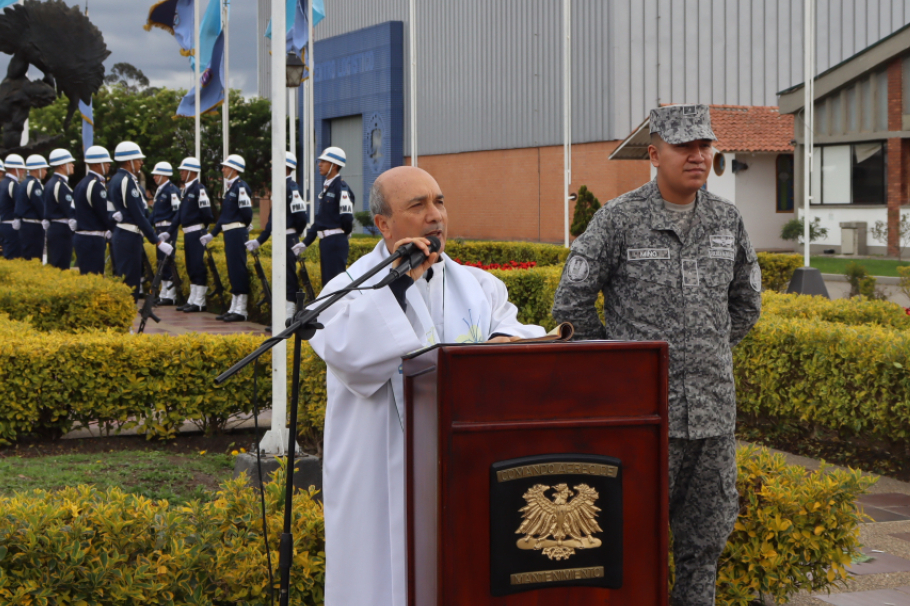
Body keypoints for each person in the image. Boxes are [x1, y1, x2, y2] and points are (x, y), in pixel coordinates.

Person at [552, 104, 763, 606]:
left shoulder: (725, 220)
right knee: (631, 541)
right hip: (643, 418)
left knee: (704, 546)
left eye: (704, 145)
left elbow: (746, 303)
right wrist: (622, 367)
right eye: (684, 146)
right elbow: (571, 304)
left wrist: (704, 349)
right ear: (654, 154)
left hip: (711, 418)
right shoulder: (619, 220)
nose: (697, 155)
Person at [308, 166, 547, 606]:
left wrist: (503, 342)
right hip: (383, 470)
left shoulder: (479, 285)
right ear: (383, 224)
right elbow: (349, 356)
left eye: (439, 201)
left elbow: (515, 331)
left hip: (464, 465)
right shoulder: (348, 290)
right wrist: (399, 285)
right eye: (418, 206)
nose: (435, 215)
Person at [108, 141, 173, 296]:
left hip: (122, 235)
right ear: (129, 162)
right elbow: (138, 215)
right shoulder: (126, 181)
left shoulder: (115, 180)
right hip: (129, 236)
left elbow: (109, 211)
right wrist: (157, 241)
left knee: (125, 278)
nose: (141, 163)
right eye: (138, 160)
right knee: (131, 283)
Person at [249, 151, 309, 317]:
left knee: (288, 276)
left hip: (288, 238)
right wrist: (259, 240)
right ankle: (282, 314)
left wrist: (293, 233)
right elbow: (272, 221)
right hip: (280, 237)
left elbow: (301, 216)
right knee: (280, 276)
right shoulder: (280, 187)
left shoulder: (292, 188)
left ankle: (289, 315)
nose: (271, 169)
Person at [201, 154, 254, 322]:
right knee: (232, 269)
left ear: (234, 169)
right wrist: (212, 234)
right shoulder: (231, 189)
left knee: (238, 268)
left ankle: (241, 309)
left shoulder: (241, 187)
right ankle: (234, 306)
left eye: (225, 167)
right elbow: (224, 217)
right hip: (230, 232)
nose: (222, 169)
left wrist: (244, 225)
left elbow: (247, 212)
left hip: (237, 232)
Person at [295, 146, 355, 287]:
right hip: (327, 242)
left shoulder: (341, 188)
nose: (319, 164)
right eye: (319, 161)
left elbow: (347, 218)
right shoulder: (328, 188)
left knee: (335, 285)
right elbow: (320, 220)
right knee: (327, 284)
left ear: (334, 165)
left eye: (324, 162)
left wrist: (341, 234)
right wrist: (305, 242)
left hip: (335, 242)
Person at [175, 156, 215, 313]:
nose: (181, 173)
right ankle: (193, 298)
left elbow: (207, 214)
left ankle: (199, 301)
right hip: (188, 233)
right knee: (191, 265)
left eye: (183, 170)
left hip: (197, 232)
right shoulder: (187, 189)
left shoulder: (199, 189)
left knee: (198, 266)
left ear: (192, 172)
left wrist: (202, 229)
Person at [72, 146, 115, 275]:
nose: (109, 165)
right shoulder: (96, 185)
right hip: (92, 240)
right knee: (95, 276)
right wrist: (114, 227)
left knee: (87, 277)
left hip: (83, 237)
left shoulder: (82, 183)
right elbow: (104, 213)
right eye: (106, 162)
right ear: (97, 164)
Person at [149, 161, 182, 305]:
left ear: (164, 175)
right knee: (160, 260)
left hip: (168, 229)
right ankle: (163, 293)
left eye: (156, 174)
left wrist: (169, 232)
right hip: (159, 228)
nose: (154, 177)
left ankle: (170, 295)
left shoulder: (172, 190)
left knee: (167, 261)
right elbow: (155, 214)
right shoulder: (161, 190)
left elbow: (177, 213)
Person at [43, 149, 78, 270]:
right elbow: (69, 209)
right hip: (61, 230)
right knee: (61, 266)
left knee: (56, 264)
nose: (73, 165)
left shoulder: (52, 183)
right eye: (70, 163)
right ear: (62, 166)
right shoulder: (59, 185)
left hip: (56, 229)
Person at [15, 154, 48, 261]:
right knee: (34, 257)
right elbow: (40, 206)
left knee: (27, 255)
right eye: (44, 169)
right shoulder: (34, 184)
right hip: (33, 227)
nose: (46, 172)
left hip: (26, 226)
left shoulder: (24, 183)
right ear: (37, 169)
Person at [0, 153, 26, 259]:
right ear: (15, 169)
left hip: (3, 225)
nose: (23, 172)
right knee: (13, 257)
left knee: (7, 255)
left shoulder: (1, 184)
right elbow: (20, 205)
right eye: (21, 169)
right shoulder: (13, 184)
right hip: (12, 226)